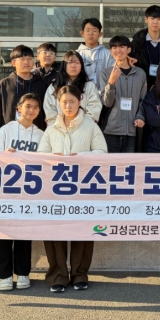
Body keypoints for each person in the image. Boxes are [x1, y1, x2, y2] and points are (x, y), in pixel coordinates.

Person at [38, 85, 107, 292]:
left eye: (72, 101)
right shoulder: (52, 127)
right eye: (64, 102)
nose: (68, 106)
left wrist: (82, 157)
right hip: (56, 188)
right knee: (54, 232)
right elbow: (41, 156)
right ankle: (58, 275)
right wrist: (53, 158)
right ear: (58, 104)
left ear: (80, 101)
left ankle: (79, 274)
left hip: (84, 187)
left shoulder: (90, 126)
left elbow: (102, 152)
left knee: (82, 231)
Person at [0, 93, 45, 291]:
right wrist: (5, 156)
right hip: (6, 190)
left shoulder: (41, 135)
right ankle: (4, 275)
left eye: (35, 107)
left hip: (29, 191)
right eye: (28, 106)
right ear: (18, 108)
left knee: (24, 233)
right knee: (4, 233)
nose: (31, 110)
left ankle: (23, 273)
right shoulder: (6, 130)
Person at [99, 36, 147, 153]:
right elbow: (107, 103)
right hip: (111, 130)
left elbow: (143, 100)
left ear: (129, 50)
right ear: (111, 52)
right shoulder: (105, 73)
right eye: (114, 47)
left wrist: (140, 117)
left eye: (122, 47)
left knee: (130, 163)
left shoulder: (140, 73)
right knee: (111, 163)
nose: (118, 50)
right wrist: (111, 83)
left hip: (132, 130)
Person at [0, 45, 47, 139]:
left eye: (29, 59)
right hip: (10, 136)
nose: (26, 62)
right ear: (13, 63)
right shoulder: (4, 84)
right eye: (22, 59)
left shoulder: (42, 84)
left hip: (36, 136)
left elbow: (46, 112)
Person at [43, 51, 102, 125]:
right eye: (69, 62)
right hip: (59, 129)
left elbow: (94, 110)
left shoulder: (89, 86)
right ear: (64, 65)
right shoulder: (54, 87)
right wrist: (60, 126)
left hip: (84, 128)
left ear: (81, 66)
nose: (73, 65)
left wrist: (80, 126)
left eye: (77, 62)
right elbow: (50, 111)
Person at [77, 18, 115, 85]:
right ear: (82, 33)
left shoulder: (108, 54)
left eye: (94, 31)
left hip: (103, 90)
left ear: (100, 34)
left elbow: (113, 74)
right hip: (80, 90)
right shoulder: (76, 54)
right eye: (88, 30)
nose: (91, 33)